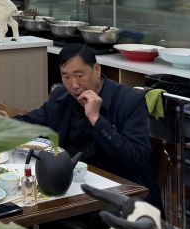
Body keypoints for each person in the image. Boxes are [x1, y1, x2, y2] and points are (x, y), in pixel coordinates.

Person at [14, 44, 158, 204]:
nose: (74, 85)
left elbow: (137, 158)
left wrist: (96, 119)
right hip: (71, 188)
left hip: (121, 194)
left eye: (79, 75)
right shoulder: (61, 97)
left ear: (97, 69)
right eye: (66, 77)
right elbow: (30, 123)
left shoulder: (129, 101)